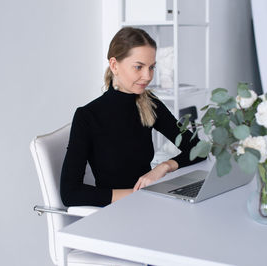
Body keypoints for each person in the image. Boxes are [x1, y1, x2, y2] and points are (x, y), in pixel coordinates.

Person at [60, 27, 205, 207]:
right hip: (117, 211)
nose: (147, 76)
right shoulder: (87, 116)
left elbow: (199, 149)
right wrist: (137, 195)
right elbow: (70, 193)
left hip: (150, 203)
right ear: (114, 65)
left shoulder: (149, 102)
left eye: (152, 67)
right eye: (139, 67)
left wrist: (164, 167)